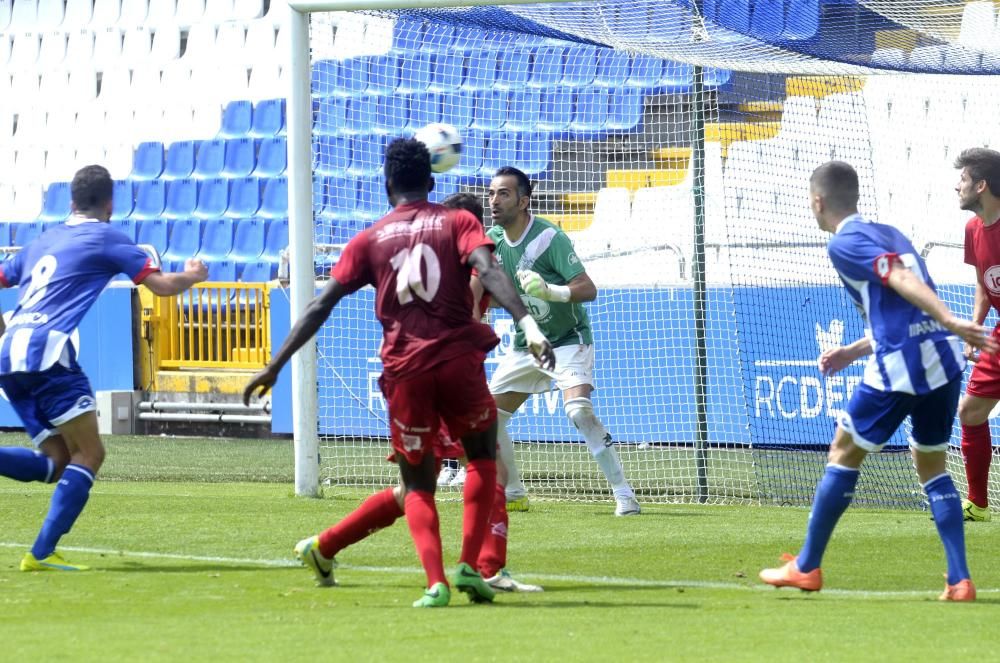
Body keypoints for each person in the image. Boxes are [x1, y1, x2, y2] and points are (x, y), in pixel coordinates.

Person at [243, 140, 554, 608]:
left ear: (386, 184)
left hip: (405, 369)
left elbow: (319, 305)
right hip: (454, 363)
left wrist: (274, 364)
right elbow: (487, 270)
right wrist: (529, 324)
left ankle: (438, 580)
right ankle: (473, 565)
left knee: (419, 484)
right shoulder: (458, 224)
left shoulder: (369, 239)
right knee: (481, 463)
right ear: (432, 182)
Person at [759, 160, 995, 601]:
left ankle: (806, 567)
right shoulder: (891, 232)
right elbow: (905, 305)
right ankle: (959, 579)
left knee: (844, 451)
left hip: (904, 364)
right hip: (942, 361)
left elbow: (901, 279)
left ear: (817, 202)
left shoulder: (844, 243)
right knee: (932, 468)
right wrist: (854, 350)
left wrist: (952, 319)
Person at [0, 165, 208, 571]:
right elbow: (161, 286)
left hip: (9, 356)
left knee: (56, 462)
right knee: (91, 453)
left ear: (72, 201)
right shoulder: (109, 238)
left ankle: (42, 553)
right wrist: (193, 276)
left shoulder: (41, 241)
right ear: (110, 202)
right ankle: (40, 555)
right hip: (50, 353)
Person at [477, 166, 640, 516]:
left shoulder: (549, 237)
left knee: (579, 411)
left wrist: (551, 290)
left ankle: (624, 494)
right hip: (527, 345)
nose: (493, 200)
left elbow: (588, 289)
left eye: (503, 193)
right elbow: (487, 294)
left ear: (523, 201)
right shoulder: (492, 241)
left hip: (568, 340)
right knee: (486, 419)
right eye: (491, 193)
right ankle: (515, 492)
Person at [953, 147, 1000, 522]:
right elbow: (984, 283)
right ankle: (978, 504)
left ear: (981, 185)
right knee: (970, 412)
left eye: (964, 180)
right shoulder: (973, 229)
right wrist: (975, 329)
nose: (958, 187)